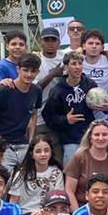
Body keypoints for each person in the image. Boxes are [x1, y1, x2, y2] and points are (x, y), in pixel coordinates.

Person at [0, 53, 42, 171]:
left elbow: (33, 114)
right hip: (3, 144)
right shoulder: (5, 89)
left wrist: (30, 141)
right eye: (25, 70)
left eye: (33, 71)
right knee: (3, 179)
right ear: (18, 69)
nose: (29, 74)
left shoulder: (36, 91)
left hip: (23, 144)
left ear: (37, 72)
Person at [43, 50, 96, 164]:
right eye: (73, 64)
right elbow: (47, 116)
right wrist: (65, 119)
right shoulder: (58, 91)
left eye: (80, 63)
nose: (77, 67)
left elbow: (100, 106)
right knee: (72, 172)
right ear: (66, 66)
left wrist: (104, 107)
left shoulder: (90, 84)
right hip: (70, 139)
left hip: (90, 136)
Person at [64, 120, 108, 208]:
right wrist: (77, 214)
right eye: (96, 135)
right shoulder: (80, 157)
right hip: (82, 207)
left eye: (104, 135)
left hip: (107, 208)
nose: (101, 138)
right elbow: (69, 191)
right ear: (90, 138)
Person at [8, 134, 65, 215]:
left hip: (48, 214)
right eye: (38, 151)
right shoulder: (22, 174)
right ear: (32, 154)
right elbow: (13, 202)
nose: (43, 154)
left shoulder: (57, 172)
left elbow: (58, 199)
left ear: (51, 152)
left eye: (46, 150)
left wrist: (43, 211)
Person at [32, 27, 65, 158]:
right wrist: (52, 75)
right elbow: (35, 89)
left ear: (59, 42)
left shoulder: (65, 57)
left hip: (63, 116)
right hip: (41, 117)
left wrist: (105, 53)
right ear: (41, 42)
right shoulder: (36, 60)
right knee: (42, 156)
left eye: (53, 40)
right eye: (47, 40)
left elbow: (85, 50)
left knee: (59, 158)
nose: (50, 43)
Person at [79, 29, 108, 95]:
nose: (94, 46)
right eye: (90, 43)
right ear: (83, 46)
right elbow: (63, 64)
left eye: (97, 44)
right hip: (84, 103)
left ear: (102, 47)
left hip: (105, 103)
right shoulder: (78, 62)